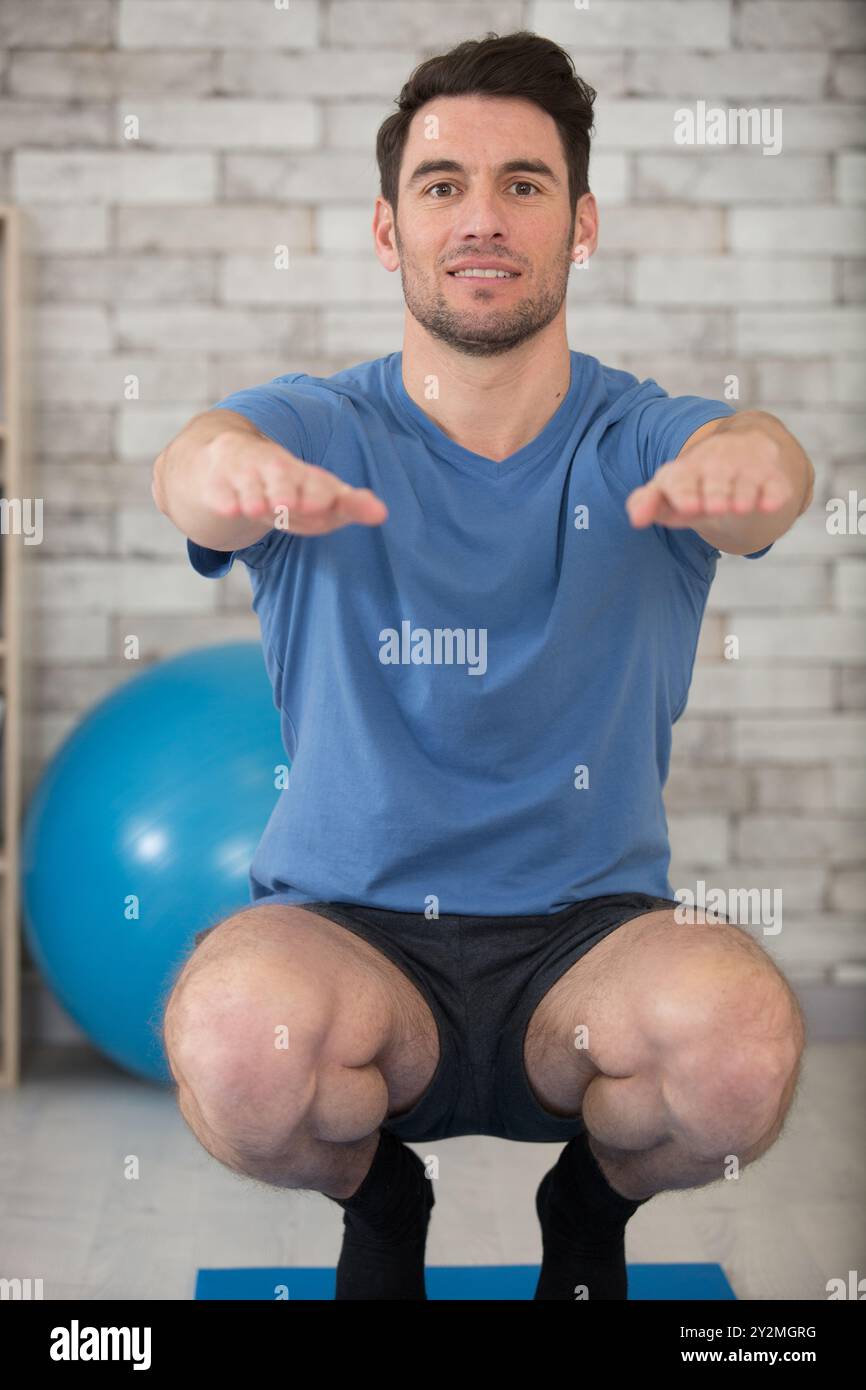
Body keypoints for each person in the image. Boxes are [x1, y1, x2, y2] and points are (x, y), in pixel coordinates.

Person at [153, 31, 812, 1300]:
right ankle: (383, 1198)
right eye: (442, 184)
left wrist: (757, 471)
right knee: (238, 1046)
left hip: (586, 946)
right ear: (388, 233)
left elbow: (758, 462)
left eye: (523, 183)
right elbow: (200, 455)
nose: (482, 216)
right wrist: (218, 474)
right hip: (347, 935)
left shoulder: (639, 437)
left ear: (581, 223)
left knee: (736, 1053)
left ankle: (587, 1208)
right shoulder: (319, 425)